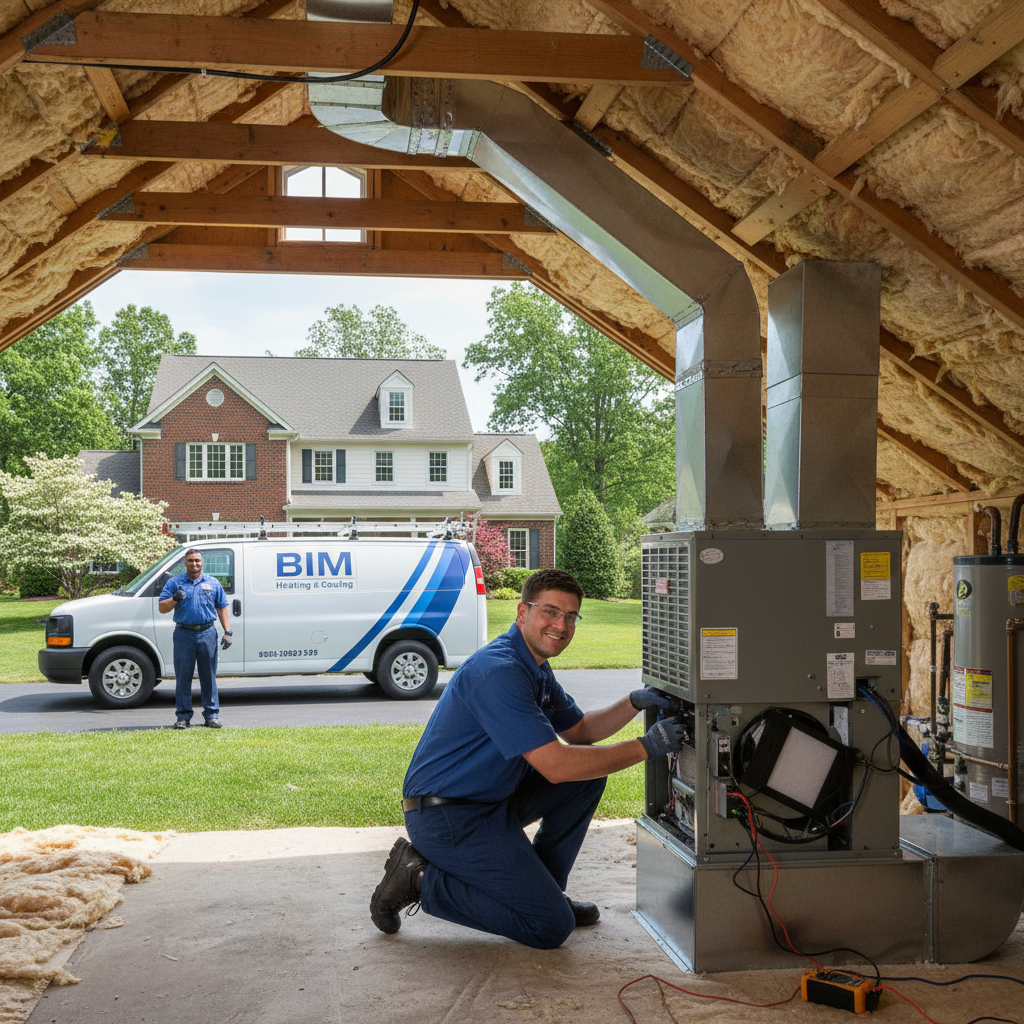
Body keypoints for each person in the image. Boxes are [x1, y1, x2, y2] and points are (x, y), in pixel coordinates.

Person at [368, 568, 685, 950]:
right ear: (522, 612)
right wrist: (646, 747)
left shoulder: (533, 667)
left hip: (492, 801)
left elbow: (580, 730)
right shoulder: (499, 672)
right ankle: (418, 878)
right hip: (448, 817)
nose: (561, 625)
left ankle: (545, 890)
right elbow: (555, 765)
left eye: (570, 616)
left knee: (585, 779)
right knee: (549, 927)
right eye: (550, 612)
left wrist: (633, 703)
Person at [158, 548, 232, 729]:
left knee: (209, 676)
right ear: (185, 562)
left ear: (202, 562)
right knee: (184, 676)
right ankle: (183, 717)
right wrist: (175, 598)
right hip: (184, 634)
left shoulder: (213, 583)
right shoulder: (175, 583)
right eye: (190, 560)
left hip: (207, 632)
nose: (194, 564)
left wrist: (227, 631)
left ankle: (211, 715)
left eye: (197, 560)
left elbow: (222, 607)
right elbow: (162, 607)